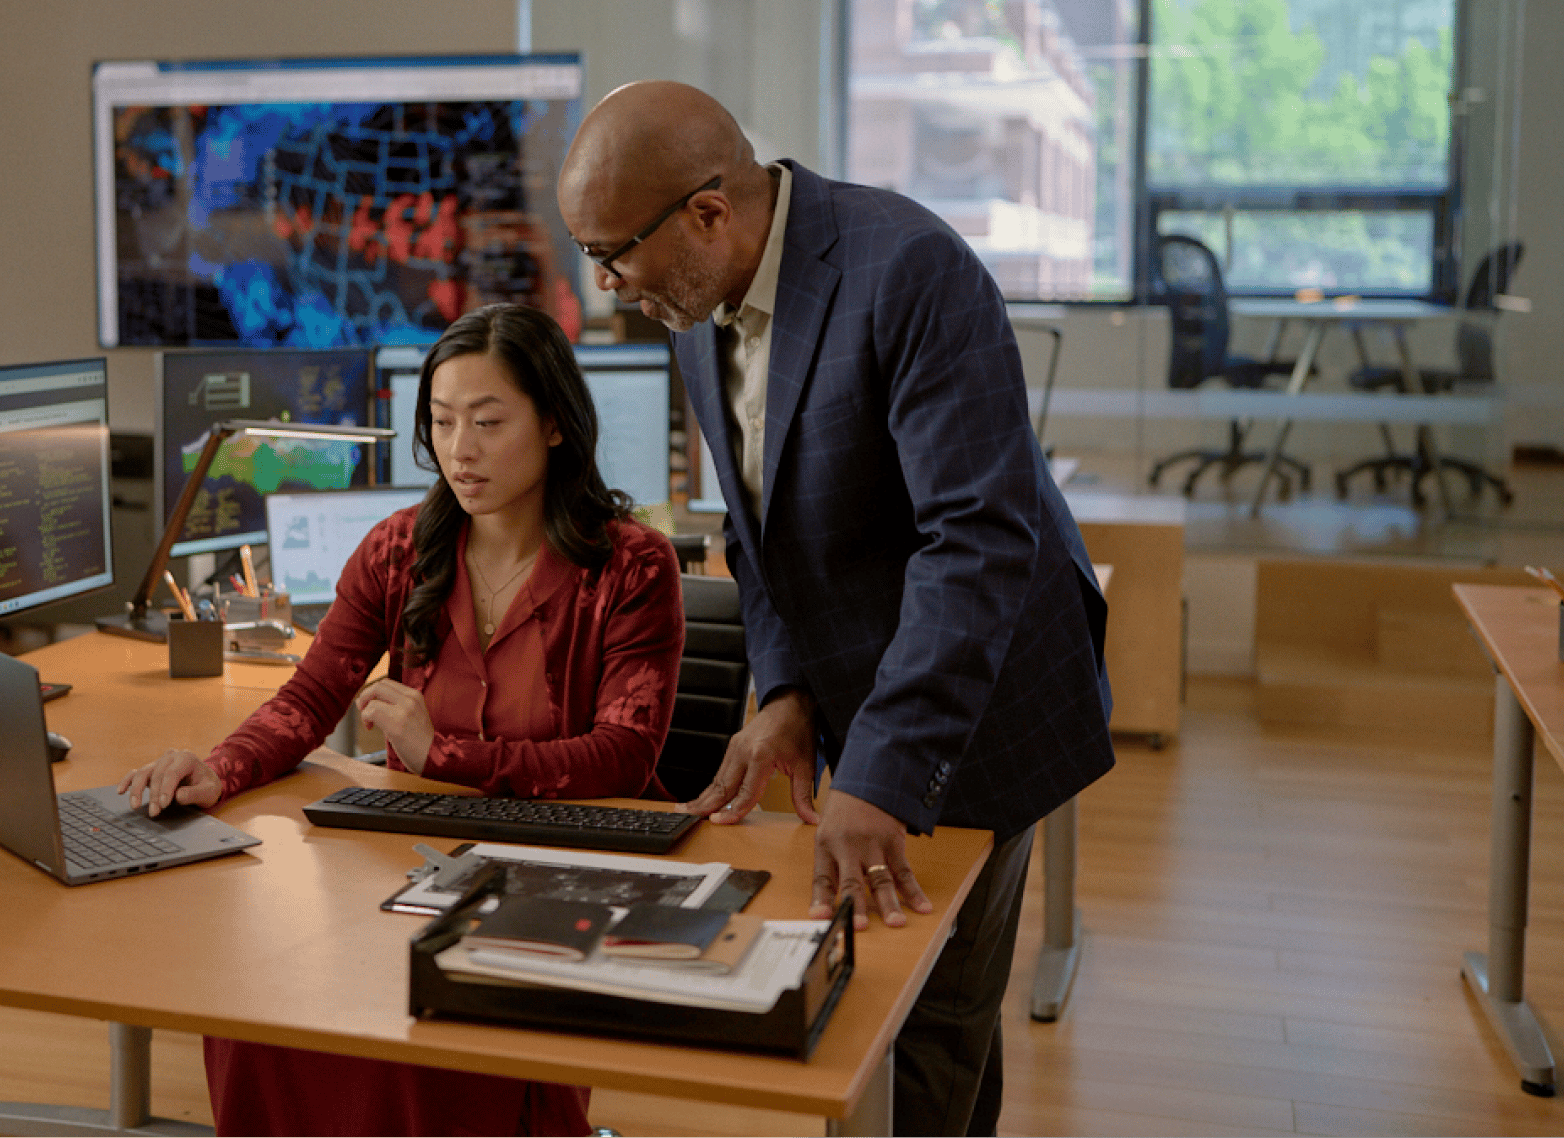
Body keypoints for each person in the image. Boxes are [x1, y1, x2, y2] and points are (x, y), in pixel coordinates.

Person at [556, 81, 1114, 1138]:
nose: (603, 285)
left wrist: (885, 767)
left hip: (979, 688)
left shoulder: (908, 269)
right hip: (860, 667)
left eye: (611, 253)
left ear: (708, 214)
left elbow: (978, 541)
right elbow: (753, 528)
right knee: (886, 1005)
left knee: (930, 1014)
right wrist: (786, 688)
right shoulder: (690, 299)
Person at [119, 302, 684, 1138]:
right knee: (262, 1005)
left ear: (556, 424)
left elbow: (624, 758)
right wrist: (223, 765)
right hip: (413, 858)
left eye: (489, 422)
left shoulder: (632, 564)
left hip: (560, 866)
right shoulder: (399, 547)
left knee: (428, 1036)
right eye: (443, 421)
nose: (460, 449)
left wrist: (442, 750)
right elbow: (309, 698)